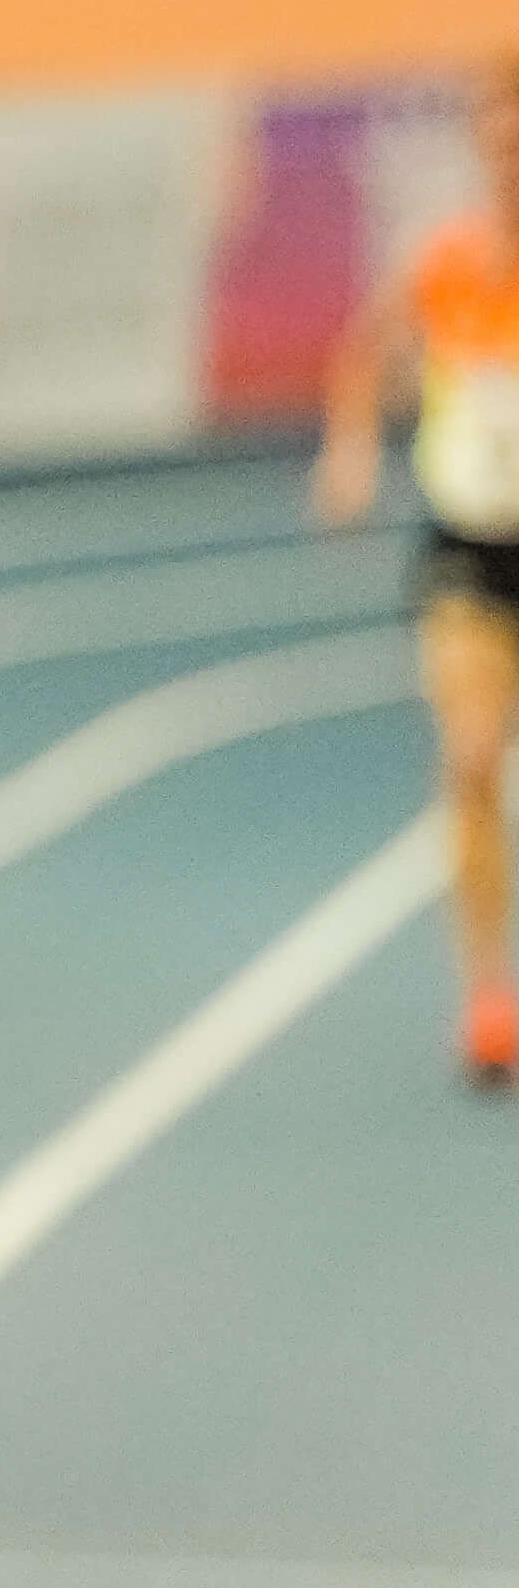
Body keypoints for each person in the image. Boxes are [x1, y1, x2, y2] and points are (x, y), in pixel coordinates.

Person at [317, 53, 519, 1088]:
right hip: (469, 550)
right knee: (472, 760)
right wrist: (347, 452)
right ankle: (487, 995)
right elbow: (361, 352)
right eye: (494, 128)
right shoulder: (445, 260)